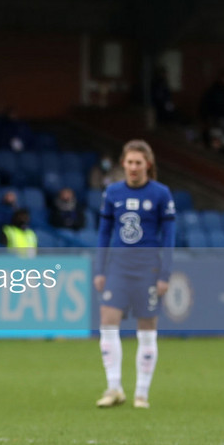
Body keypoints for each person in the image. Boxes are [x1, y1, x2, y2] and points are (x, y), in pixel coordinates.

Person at [93, 139, 175, 410]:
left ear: (148, 165)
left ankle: (141, 392)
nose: (133, 167)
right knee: (108, 320)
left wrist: (165, 273)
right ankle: (114, 387)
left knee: (147, 328)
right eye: (129, 162)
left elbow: (170, 236)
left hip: (148, 267)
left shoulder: (161, 193)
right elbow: (104, 233)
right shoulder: (112, 192)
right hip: (118, 266)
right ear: (123, 164)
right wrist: (99, 268)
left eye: (138, 163)